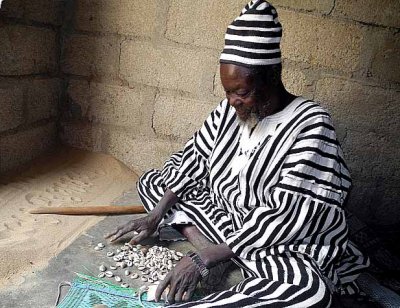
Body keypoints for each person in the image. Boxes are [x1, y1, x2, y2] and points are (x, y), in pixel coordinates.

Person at [106, 1, 369, 306]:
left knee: (309, 294)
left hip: (277, 239)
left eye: (241, 92)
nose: (232, 102)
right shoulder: (230, 109)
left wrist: (203, 259)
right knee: (154, 183)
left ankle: (219, 260)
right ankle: (213, 247)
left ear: (272, 76)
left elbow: (288, 216)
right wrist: (154, 216)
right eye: (227, 92)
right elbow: (194, 159)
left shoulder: (311, 123)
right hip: (225, 216)